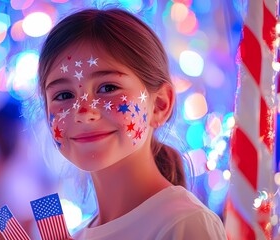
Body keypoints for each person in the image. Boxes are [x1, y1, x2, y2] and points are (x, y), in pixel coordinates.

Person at [35, 8, 227, 239]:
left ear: (160, 105)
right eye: (64, 95)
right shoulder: (76, 236)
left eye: (108, 88)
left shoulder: (184, 223)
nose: (83, 113)